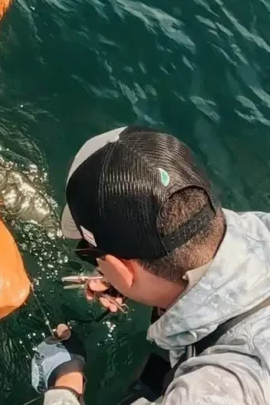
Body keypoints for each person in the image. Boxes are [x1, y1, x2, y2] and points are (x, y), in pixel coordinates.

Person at [29, 125, 270, 404]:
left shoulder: (213, 393)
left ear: (124, 269)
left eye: (88, 252)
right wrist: (140, 285)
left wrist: (65, 381)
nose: (92, 263)